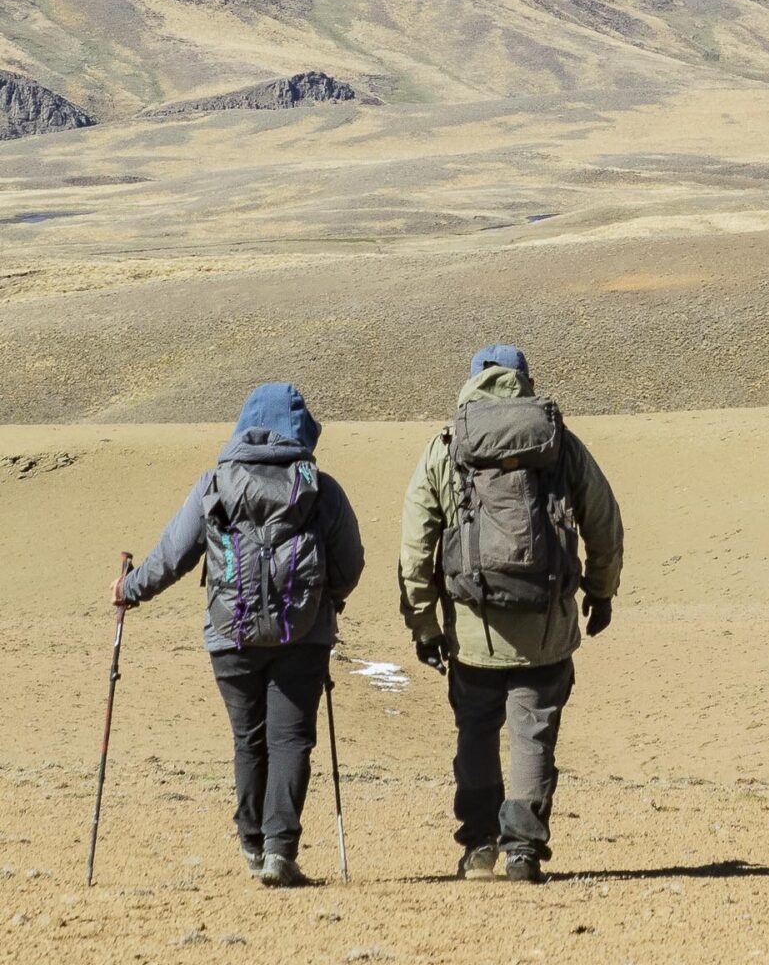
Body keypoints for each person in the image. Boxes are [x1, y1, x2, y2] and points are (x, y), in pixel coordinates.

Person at [110, 382, 364, 888]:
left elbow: (174, 554)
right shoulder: (321, 488)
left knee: (249, 740)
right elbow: (350, 563)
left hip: (231, 636)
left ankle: (251, 844)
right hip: (304, 634)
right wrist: (326, 601)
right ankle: (279, 851)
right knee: (291, 740)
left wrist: (130, 588)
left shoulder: (215, 483)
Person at [400, 345, 623, 884]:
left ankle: (479, 846)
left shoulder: (446, 446)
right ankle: (523, 850)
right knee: (533, 735)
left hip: (472, 630)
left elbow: (415, 547)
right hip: (546, 626)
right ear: (523, 381)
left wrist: (425, 625)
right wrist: (600, 591)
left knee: (475, 732)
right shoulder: (559, 442)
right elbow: (604, 522)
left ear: (473, 381)